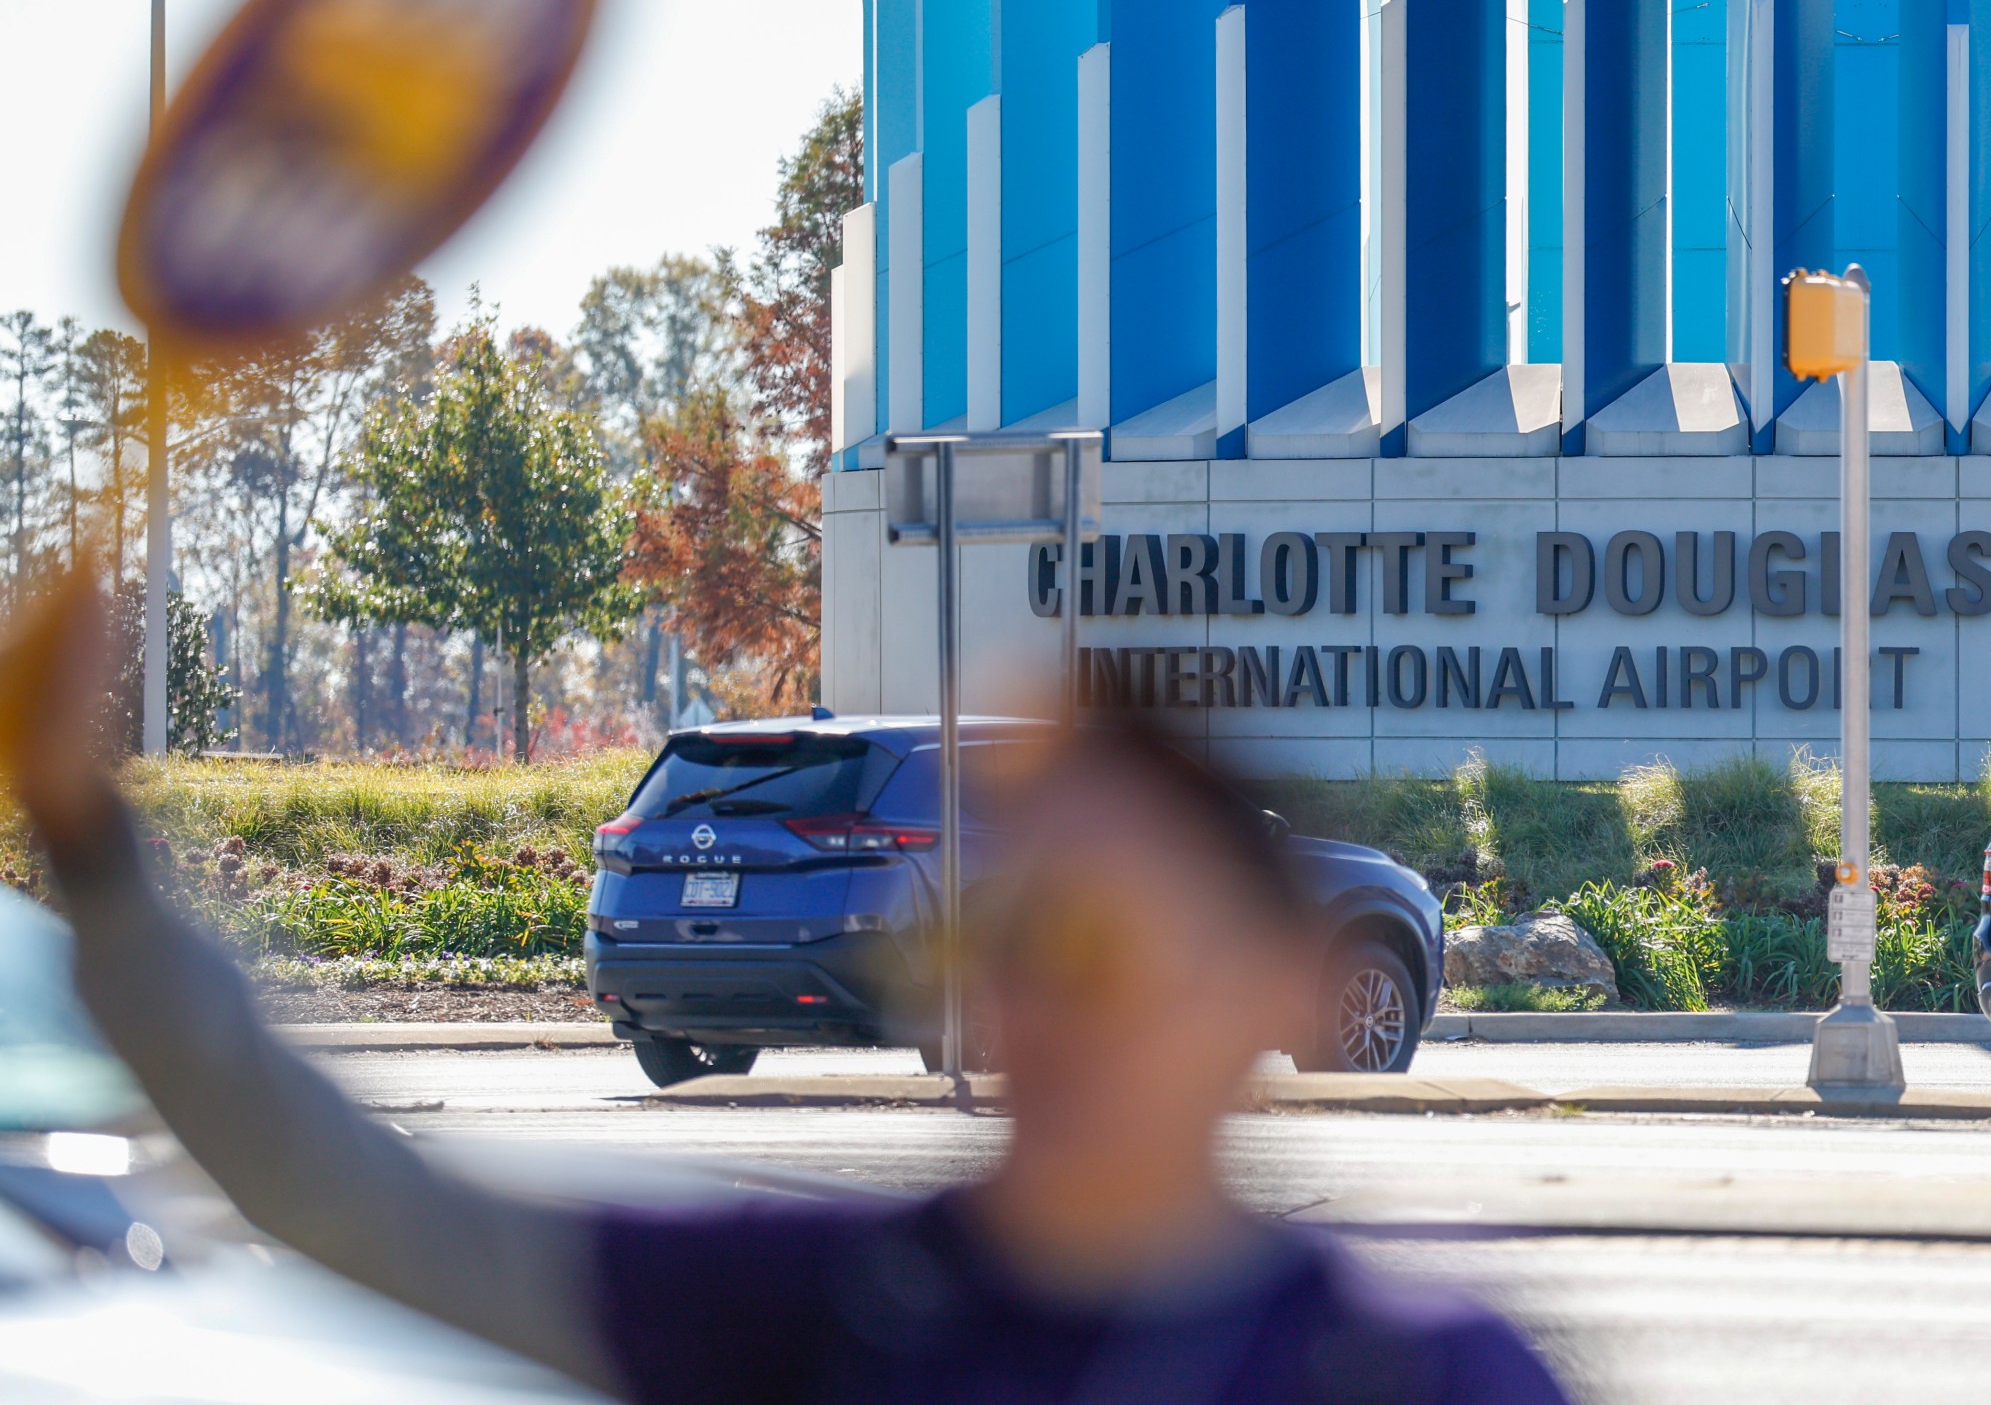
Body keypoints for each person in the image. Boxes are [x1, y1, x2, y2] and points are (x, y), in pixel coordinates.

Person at [0, 578, 1574, 1405]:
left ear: (1267, 984)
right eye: (994, 938)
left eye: (1092, 943)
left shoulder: (1424, 1380)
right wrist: (87, 834)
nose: (1032, 1002)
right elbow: (343, 1201)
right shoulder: (820, 1316)